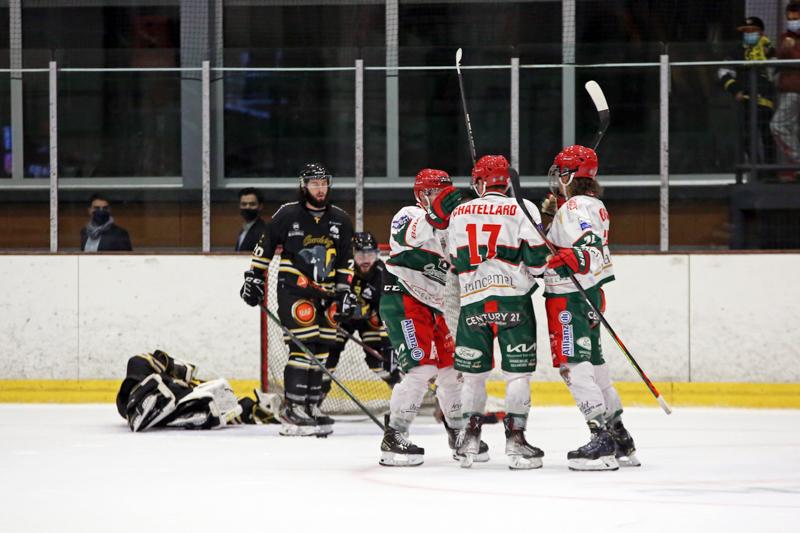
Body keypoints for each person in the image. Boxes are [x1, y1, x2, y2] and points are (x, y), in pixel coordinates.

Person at [378, 168, 488, 467]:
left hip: (436, 306)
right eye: (432, 192)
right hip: (404, 297)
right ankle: (394, 435)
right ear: (420, 194)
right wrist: (440, 212)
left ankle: (458, 432)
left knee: (452, 371)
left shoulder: (455, 227)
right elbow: (413, 233)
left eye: (443, 192)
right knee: (421, 368)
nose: (438, 197)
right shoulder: (408, 215)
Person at [447, 155, 550, 469]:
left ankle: (468, 441)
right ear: (505, 181)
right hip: (513, 302)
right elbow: (538, 263)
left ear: (480, 182)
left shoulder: (459, 212)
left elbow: (454, 259)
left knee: (473, 377)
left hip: (473, 303)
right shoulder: (523, 207)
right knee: (517, 374)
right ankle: (516, 442)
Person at [239, 163, 354, 437]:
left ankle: (311, 406)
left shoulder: (340, 219)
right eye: (314, 184)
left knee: (323, 348)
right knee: (303, 345)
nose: (320, 189)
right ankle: (294, 408)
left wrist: (344, 291)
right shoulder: (287, 214)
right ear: (303, 186)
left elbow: (345, 259)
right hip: (295, 289)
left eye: (324, 183)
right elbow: (265, 247)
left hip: (327, 294)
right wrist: (254, 278)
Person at [543, 145, 639, 471]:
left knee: (574, 366)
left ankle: (601, 439)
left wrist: (574, 257)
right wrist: (553, 217)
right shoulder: (591, 204)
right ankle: (619, 435)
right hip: (589, 295)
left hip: (569, 297)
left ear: (573, 176)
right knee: (596, 366)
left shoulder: (575, 207)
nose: (558, 178)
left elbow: (588, 246)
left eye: (562, 173)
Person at [320, 231, 399, 405]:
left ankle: (397, 384)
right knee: (329, 356)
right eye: (360, 255)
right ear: (352, 255)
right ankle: (318, 397)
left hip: (369, 320)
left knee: (377, 360)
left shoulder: (383, 274)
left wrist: (389, 345)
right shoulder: (343, 269)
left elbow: (387, 309)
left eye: (370, 254)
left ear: (377, 255)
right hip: (343, 320)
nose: (365, 260)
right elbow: (328, 294)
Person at [116, 350, 282, 432]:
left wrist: (252, 409)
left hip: (171, 403)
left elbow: (234, 409)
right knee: (138, 363)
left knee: (207, 400)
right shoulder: (159, 372)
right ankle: (142, 402)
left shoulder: (208, 391)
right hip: (141, 397)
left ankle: (186, 414)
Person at [717, 16, 776, 170]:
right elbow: (723, 72)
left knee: (768, 137)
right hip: (746, 101)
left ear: (761, 33)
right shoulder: (736, 51)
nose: (749, 34)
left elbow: (775, 73)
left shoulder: (769, 50)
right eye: (746, 31)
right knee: (746, 138)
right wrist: (735, 90)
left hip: (766, 102)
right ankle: (758, 170)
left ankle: (771, 172)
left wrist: (766, 55)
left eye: (752, 31)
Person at [771, 1, 800, 181]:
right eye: (790, 18)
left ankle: (798, 161)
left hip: (795, 89)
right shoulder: (784, 37)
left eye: (796, 18)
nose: (793, 21)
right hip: (788, 89)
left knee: (778, 125)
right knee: (786, 126)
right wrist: (785, 48)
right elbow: (779, 58)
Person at [236, 187, 269, 252]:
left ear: (260, 206)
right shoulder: (244, 229)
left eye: (252, 204)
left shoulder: (263, 232)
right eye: (244, 204)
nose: (247, 207)